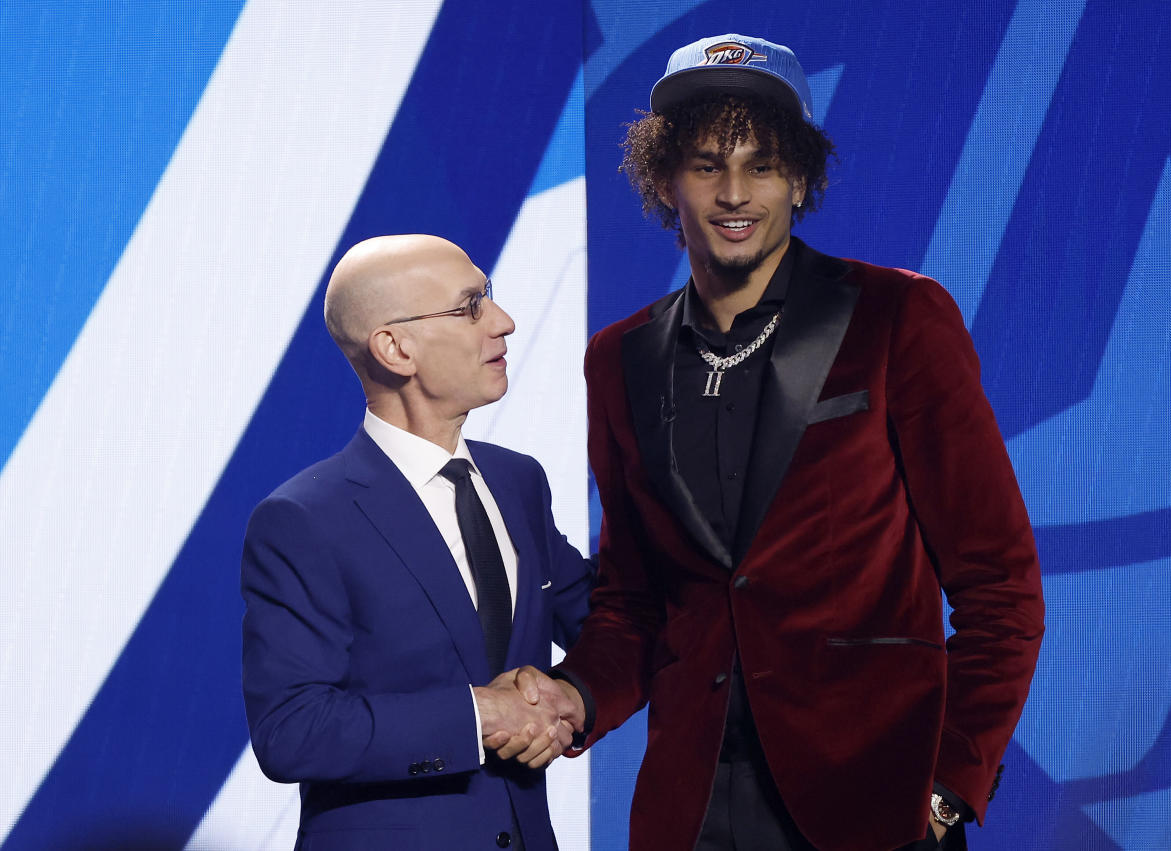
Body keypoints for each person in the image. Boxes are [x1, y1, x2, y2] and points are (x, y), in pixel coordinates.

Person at [540, 34, 1045, 850]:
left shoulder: (898, 319)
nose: (734, 192)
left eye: (762, 165)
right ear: (665, 180)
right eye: (706, 165)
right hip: (690, 806)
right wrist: (573, 698)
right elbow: (635, 603)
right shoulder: (619, 357)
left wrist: (949, 785)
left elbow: (1001, 587)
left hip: (873, 808)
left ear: (801, 178)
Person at [240, 234, 593, 850]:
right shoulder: (304, 518)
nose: (504, 323)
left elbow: (610, 621)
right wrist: (480, 715)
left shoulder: (519, 482)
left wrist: (571, 696)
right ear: (396, 347)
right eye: (470, 306)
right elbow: (292, 729)